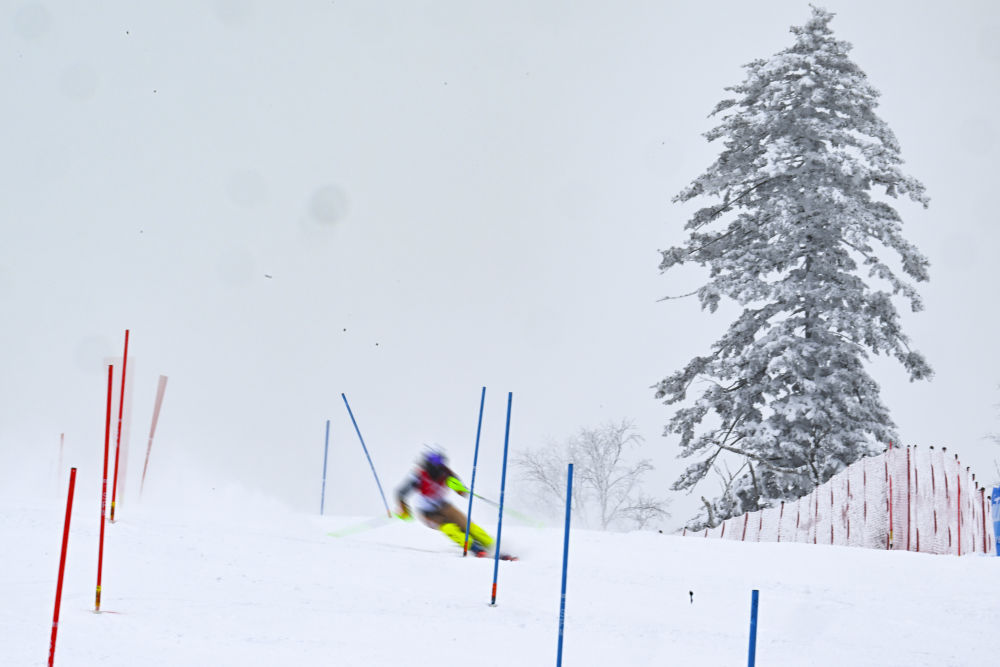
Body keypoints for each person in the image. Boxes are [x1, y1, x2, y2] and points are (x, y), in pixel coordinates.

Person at [395, 448, 494, 557]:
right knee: (449, 528)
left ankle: (492, 545)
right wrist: (404, 509)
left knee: (468, 526)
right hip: (427, 513)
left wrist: (460, 488)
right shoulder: (419, 476)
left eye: (440, 465)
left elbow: (461, 492)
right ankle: (474, 547)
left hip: (445, 506)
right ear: (428, 465)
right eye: (434, 465)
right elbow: (400, 493)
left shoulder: (446, 473)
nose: (438, 469)